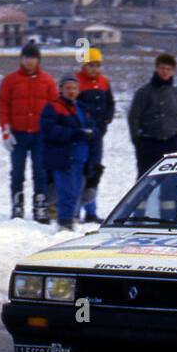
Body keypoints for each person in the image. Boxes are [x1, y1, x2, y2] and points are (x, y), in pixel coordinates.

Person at [0, 40, 57, 221]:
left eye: (32, 58)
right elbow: (2, 104)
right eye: (26, 58)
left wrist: (51, 131)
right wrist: (6, 130)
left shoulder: (47, 80)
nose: (29, 62)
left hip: (40, 135)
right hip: (18, 134)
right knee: (17, 172)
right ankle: (17, 205)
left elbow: (54, 107)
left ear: (38, 60)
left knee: (40, 172)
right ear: (21, 60)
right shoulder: (11, 80)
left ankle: (40, 205)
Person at [42, 75, 94, 230]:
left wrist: (93, 133)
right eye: (68, 88)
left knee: (77, 191)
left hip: (81, 157)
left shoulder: (83, 108)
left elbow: (93, 126)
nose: (71, 91)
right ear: (61, 90)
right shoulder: (53, 107)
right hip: (63, 157)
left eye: (74, 88)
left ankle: (70, 219)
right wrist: (75, 133)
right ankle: (64, 222)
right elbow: (49, 130)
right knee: (67, 192)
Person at [128, 53, 177, 175]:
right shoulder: (143, 92)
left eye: (168, 69)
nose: (165, 71)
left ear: (173, 71)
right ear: (156, 68)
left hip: (173, 144)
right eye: (162, 68)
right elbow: (134, 117)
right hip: (149, 145)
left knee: (173, 182)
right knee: (147, 182)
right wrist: (138, 142)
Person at [75, 46, 114, 222]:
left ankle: (91, 210)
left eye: (97, 65)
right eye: (91, 65)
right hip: (81, 136)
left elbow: (110, 104)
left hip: (98, 135)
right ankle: (75, 210)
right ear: (84, 66)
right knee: (79, 171)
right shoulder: (76, 82)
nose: (94, 69)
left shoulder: (104, 82)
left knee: (94, 171)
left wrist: (106, 120)